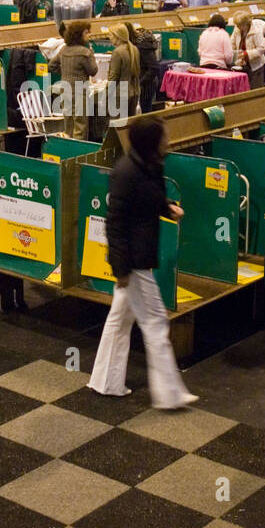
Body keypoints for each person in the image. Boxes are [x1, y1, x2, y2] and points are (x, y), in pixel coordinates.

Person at [87, 117, 197, 409]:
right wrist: (120, 268)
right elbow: (115, 224)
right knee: (156, 322)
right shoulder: (126, 173)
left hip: (138, 256)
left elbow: (151, 198)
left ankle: (105, 381)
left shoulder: (150, 166)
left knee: (120, 320)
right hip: (133, 262)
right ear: (152, 141)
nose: (169, 140)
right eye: (165, 136)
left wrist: (167, 207)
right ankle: (170, 394)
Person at [58, 20, 98, 139]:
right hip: (80, 91)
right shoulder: (85, 53)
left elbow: (52, 66)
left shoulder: (63, 50)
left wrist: (65, 72)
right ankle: (79, 154)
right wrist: (92, 53)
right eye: (86, 33)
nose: (88, 35)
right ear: (79, 34)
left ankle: (68, 152)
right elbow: (93, 71)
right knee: (80, 125)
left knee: (68, 124)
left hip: (65, 89)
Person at [106, 22, 139, 120]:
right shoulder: (134, 49)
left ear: (117, 36)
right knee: (128, 125)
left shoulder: (117, 52)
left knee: (117, 125)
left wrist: (107, 93)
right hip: (134, 91)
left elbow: (113, 77)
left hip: (120, 94)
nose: (109, 37)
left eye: (110, 35)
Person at [231, 11, 265, 89]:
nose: (238, 27)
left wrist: (247, 54)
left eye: (240, 25)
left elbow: (261, 49)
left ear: (246, 23)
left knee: (256, 91)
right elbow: (232, 44)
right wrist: (235, 54)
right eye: (237, 25)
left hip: (256, 66)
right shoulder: (237, 29)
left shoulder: (256, 31)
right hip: (241, 64)